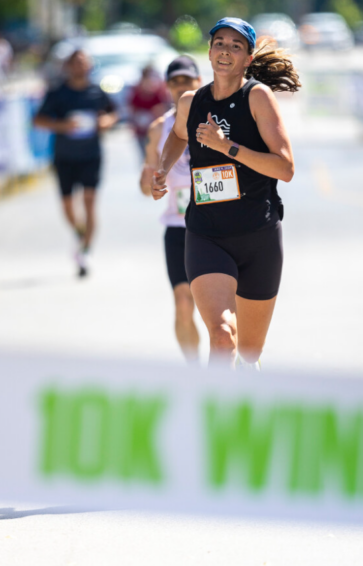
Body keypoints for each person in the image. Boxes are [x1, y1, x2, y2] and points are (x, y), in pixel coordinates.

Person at [152, 17, 300, 370]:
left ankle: (245, 406)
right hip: (207, 235)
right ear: (209, 50)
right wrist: (162, 167)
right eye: (220, 42)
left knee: (248, 355)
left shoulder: (257, 98)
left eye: (236, 46)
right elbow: (177, 135)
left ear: (247, 58)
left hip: (258, 236)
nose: (225, 51)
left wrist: (226, 147)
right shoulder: (191, 103)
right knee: (221, 337)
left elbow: (285, 168)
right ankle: (214, 415)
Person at [140, 56, 203, 364]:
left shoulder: (214, 119)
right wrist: (148, 178)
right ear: (167, 87)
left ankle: (235, 361)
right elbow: (145, 186)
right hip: (178, 229)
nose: (181, 87)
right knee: (182, 302)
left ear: (198, 82)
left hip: (216, 226)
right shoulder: (158, 128)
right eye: (175, 81)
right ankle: (193, 371)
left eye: (186, 80)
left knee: (224, 307)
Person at [34, 49, 119, 277]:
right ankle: (80, 232)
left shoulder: (97, 92)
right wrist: (62, 126)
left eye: (84, 62)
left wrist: (105, 122)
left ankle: (85, 252)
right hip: (64, 156)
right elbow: (38, 120)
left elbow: (113, 114)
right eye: (76, 62)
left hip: (91, 155)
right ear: (68, 66)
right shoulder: (58, 93)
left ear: (90, 66)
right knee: (67, 206)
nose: (80, 66)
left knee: (90, 202)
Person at [128, 65, 169, 158]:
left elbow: (163, 111)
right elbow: (132, 111)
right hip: (142, 132)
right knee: (145, 158)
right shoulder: (136, 92)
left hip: (157, 131)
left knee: (159, 157)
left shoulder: (159, 93)